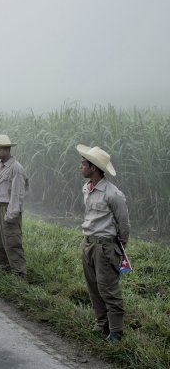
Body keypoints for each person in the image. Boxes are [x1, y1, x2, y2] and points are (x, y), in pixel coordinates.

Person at [77, 144, 130, 342]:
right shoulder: (87, 188)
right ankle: (101, 323)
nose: (80, 166)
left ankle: (116, 331)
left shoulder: (113, 193)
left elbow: (123, 224)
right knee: (93, 287)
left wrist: (118, 248)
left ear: (93, 168)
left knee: (108, 288)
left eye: (83, 163)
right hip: (89, 243)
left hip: (105, 247)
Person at [0, 134, 27, 277]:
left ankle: (19, 273)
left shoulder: (16, 168)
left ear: (6, 149)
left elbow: (17, 195)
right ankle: (5, 269)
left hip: (9, 208)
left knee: (12, 241)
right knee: (0, 241)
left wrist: (10, 216)